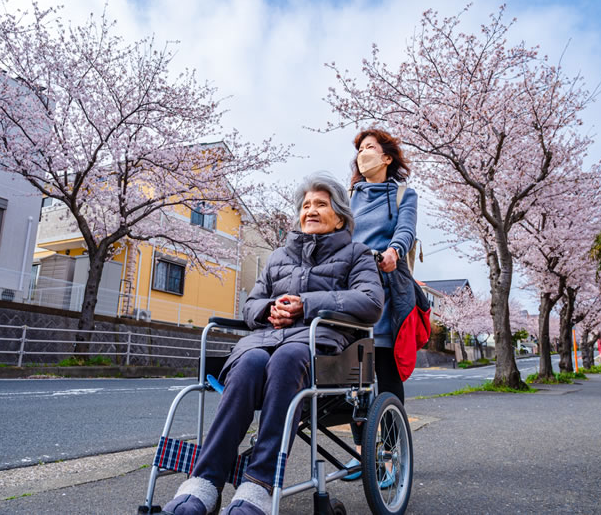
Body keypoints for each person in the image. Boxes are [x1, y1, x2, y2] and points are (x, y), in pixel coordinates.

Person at [162, 173, 384, 515]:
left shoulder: (357, 254)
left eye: (321, 204)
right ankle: (203, 484)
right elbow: (250, 305)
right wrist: (269, 310)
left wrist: (306, 305)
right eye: (306, 205)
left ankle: (258, 486)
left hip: (319, 347)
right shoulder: (279, 256)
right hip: (266, 340)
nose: (311, 210)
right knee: (249, 362)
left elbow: (371, 301)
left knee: (288, 358)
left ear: (340, 217)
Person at [342, 128, 417, 486]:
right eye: (359, 149)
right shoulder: (347, 198)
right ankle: (363, 454)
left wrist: (393, 252)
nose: (363, 154)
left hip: (386, 291)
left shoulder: (403, 193)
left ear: (387, 157)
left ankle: (391, 457)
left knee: (386, 377)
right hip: (351, 292)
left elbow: (405, 231)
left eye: (370, 148)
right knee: (353, 382)